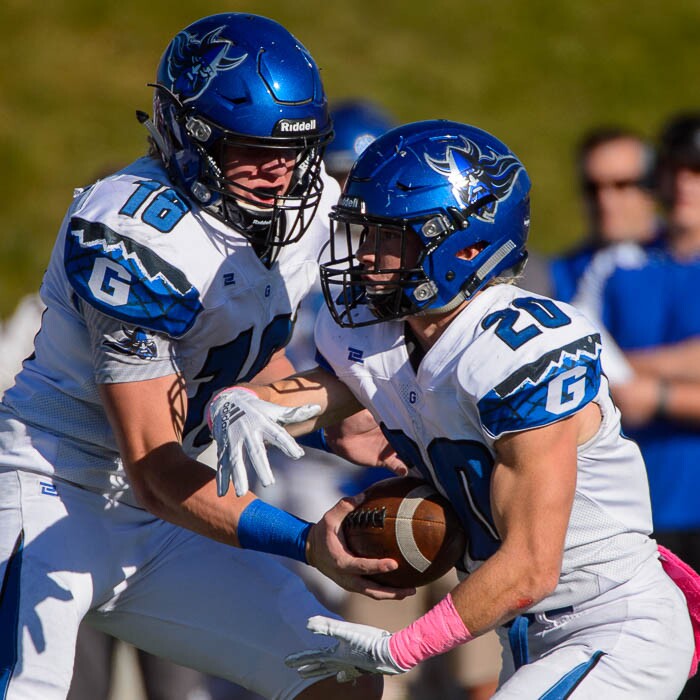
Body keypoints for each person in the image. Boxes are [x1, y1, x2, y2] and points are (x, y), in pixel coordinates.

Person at [0, 13, 413, 700]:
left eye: (294, 149)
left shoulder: (308, 213)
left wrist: (335, 416)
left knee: (339, 676)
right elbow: (154, 467)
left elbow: (231, 357)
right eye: (249, 149)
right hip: (52, 492)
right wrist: (307, 541)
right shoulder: (131, 233)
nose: (277, 173)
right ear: (186, 136)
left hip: (163, 513)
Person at [208, 119, 696, 697]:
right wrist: (239, 403)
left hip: (611, 621)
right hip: (525, 633)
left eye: (389, 236)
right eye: (365, 234)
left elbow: (531, 566)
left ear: (465, 246)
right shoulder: (386, 334)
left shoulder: (518, 348)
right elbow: (323, 394)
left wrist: (401, 646)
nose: (365, 257)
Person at [600, 112, 700, 699]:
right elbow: (586, 359)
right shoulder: (617, 266)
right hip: (639, 523)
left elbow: (621, 375)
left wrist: (649, 384)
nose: (687, 183)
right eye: (678, 170)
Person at [550, 126, 663, 304]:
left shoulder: (684, 263)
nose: (605, 201)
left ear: (653, 186)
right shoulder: (560, 273)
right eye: (593, 188)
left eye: (622, 185)